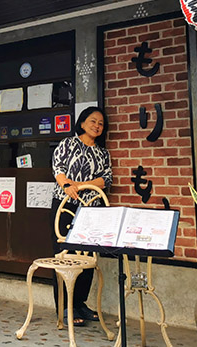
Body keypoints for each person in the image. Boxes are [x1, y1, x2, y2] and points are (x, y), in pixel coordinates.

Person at [51, 105, 113, 327]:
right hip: (65, 206)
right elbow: (58, 169)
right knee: (65, 254)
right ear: (83, 122)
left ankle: (80, 303)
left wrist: (81, 184)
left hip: (91, 209)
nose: (97, 126)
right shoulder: (68, 143)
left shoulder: (103, 153)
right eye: (93, 121)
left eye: (101, 124)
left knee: (88, 255)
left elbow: (106, 178)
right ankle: (64, 306)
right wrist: (68, 185)